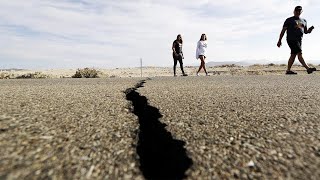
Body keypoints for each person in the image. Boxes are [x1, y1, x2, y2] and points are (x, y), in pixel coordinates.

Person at [277, 6, 316, 74]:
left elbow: (305, 31)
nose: (297, 12)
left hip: (299, 40)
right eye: (296, 11)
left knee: (293, 55)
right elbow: (283, 30)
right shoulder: (289, 20)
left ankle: (288, 70)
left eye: (299, 11)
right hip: (291, 39)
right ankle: (308, 69)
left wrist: (310, 30)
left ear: (301, 12)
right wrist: (279, 40)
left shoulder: (304, 21)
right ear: (294, 11)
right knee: (299, 53)